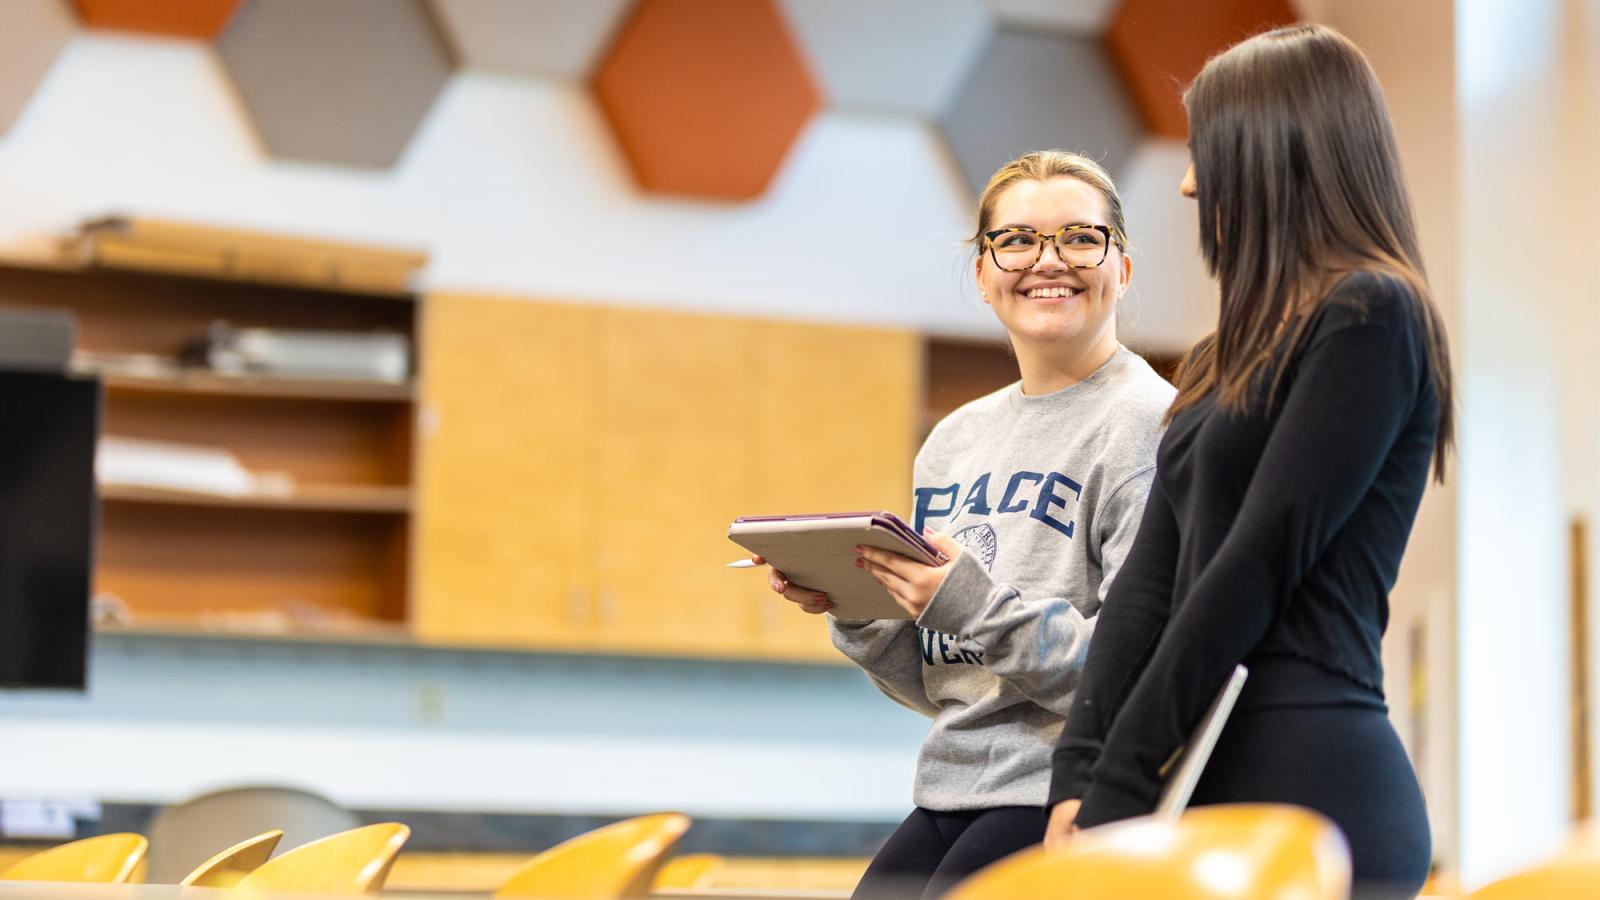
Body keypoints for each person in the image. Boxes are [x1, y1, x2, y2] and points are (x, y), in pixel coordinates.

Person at [1044, 25, 1454, 900]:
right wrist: (1078, 776)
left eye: (1206, 152)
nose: (1190, 183)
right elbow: (1148, 590)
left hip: (1311, 778)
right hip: (1190, 776)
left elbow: (1253, 566)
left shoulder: (1371, 316)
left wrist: (1120, 785)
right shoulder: (1217, 357)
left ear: (1275, 152)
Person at [759, 150, 1175, 900]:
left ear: (1123, 266)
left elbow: (1135, 675)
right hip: (951, 783)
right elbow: (946, 682)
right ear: (983, 274)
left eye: (1080, 237)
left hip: (1063, 789)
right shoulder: (954, 440)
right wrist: (857, 605)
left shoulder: (1149, 423)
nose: (1048, 261)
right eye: (1016, 240)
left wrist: (967, 599)